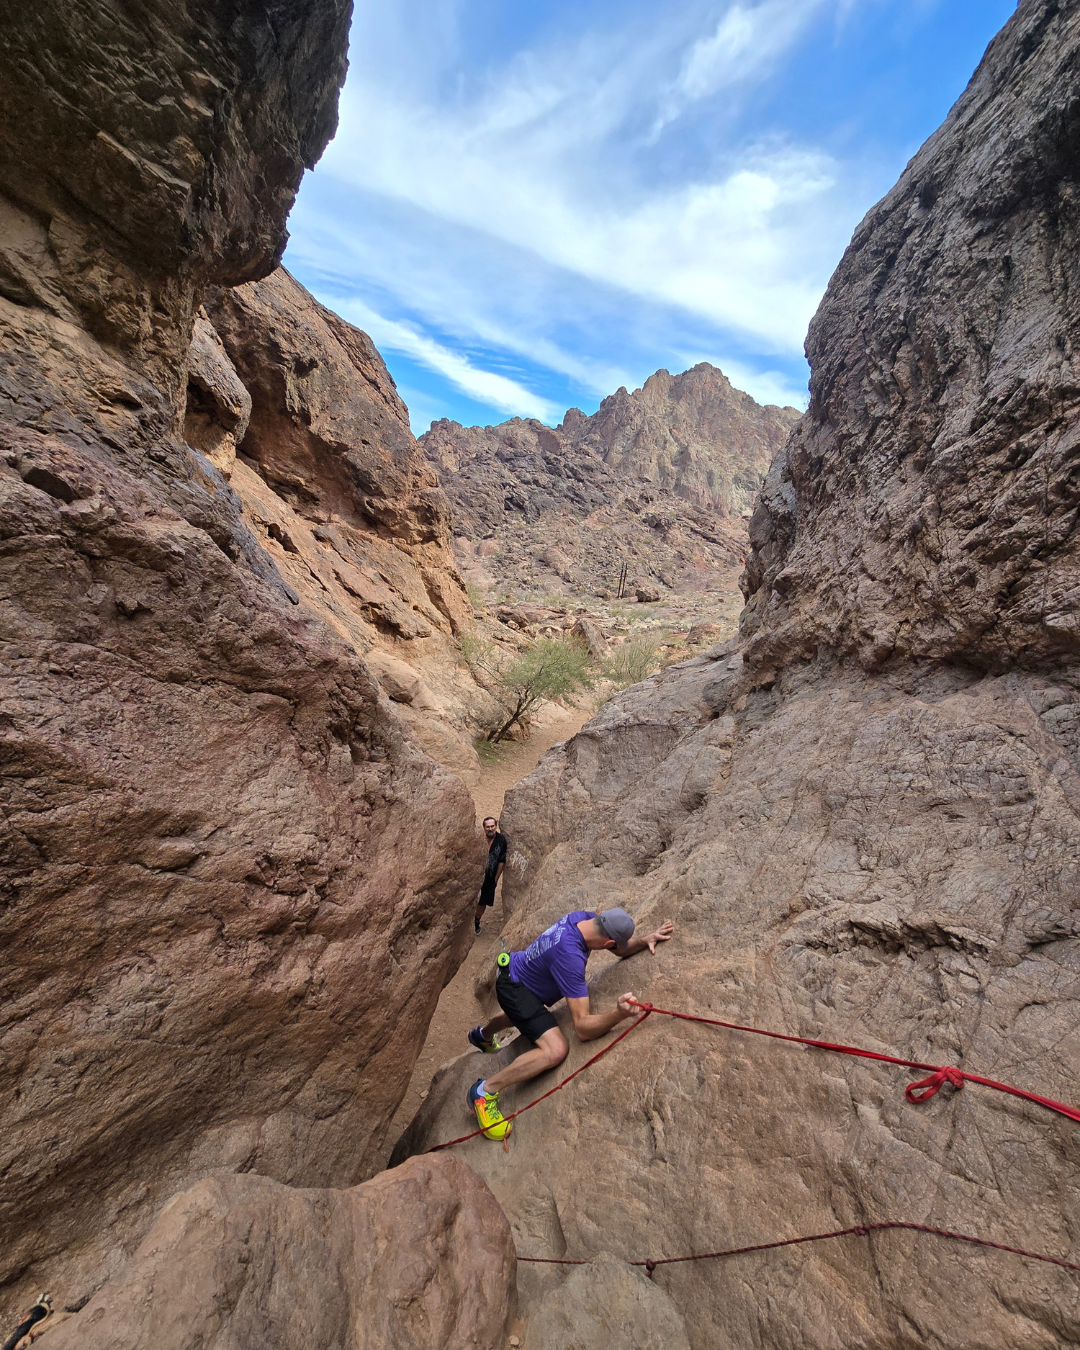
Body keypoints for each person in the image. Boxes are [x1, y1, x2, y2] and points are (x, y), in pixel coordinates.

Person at [465, 907, 674, 1139]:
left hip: (515, 971)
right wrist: (618, 1014)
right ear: (608, 942)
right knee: (556, 1049)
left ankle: (481, 1036)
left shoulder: (583, 918)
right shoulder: (570, 957)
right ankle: (485, 1091)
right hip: (516, 989)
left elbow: (619, 948)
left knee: (520, 1013)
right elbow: (582, 1028)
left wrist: (646, 939)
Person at [474, 817, 507, 935]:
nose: (490, 829)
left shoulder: (501, 840)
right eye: (488, 827)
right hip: (475, 876)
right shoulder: (478, 839)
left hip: (489, 877)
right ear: (484, 828)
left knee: (483, 901)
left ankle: (476, 921)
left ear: (496, 826)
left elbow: (502, 860)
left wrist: (496, 879)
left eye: (492, 826)